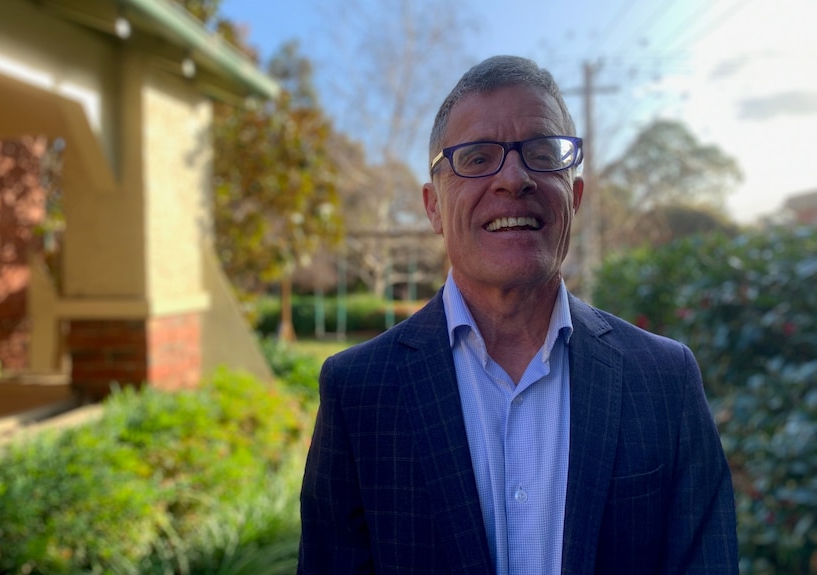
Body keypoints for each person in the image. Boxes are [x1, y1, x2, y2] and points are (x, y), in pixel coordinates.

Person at [297, 55, 738, 575]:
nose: (513, 178)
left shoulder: (665, 381)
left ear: (573, 197)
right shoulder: (358, 392)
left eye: (541, 154)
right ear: (433, 206)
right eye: (477, 158)